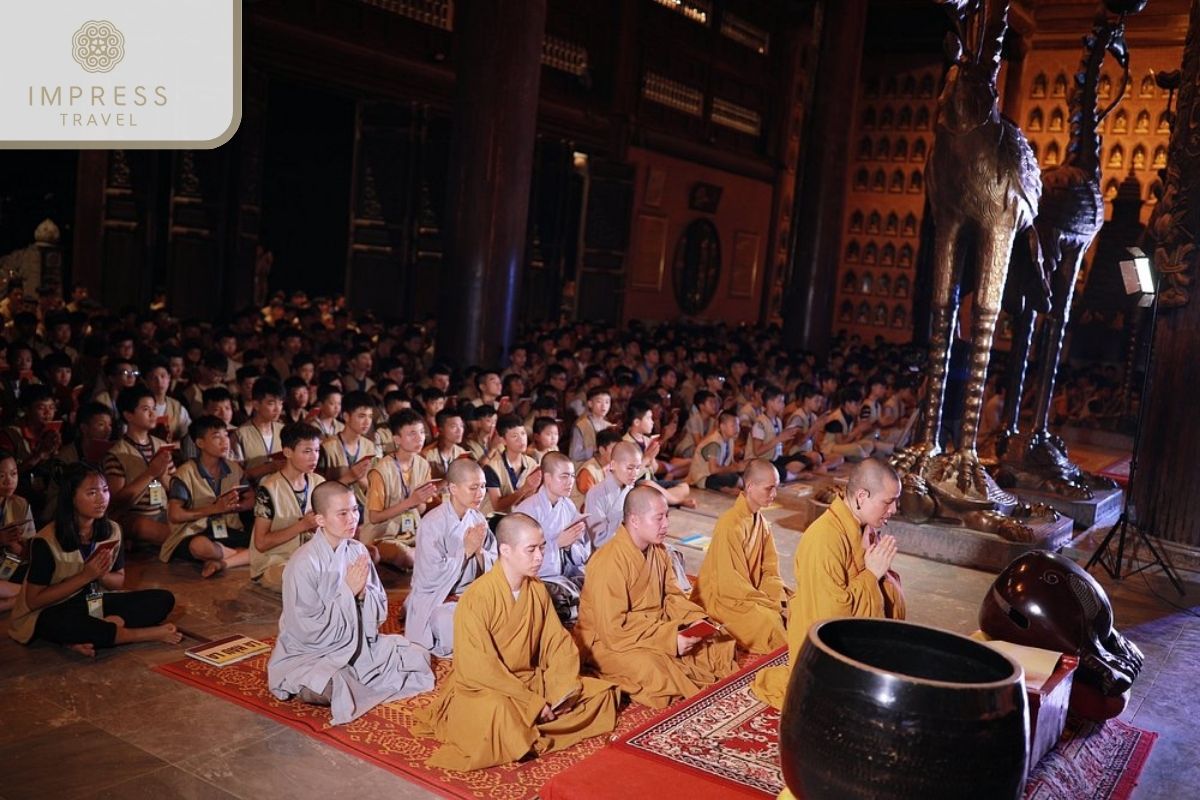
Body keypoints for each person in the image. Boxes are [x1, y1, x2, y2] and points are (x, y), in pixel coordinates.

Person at [414, 513, 618, 770]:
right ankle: (530, 726)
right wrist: (531, 702)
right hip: (488, 689)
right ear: (505, 550)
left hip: (530, 680)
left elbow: (557, 643)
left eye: (542, 547)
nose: (539, 557)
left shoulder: (537, 589)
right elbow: (478, 667)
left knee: (602, 694)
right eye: (531, 549)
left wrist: (560, 689)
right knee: (500, 714)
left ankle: (532, 727)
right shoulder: (477, 598)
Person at [268, 481, 434, 725]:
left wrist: (363, 595)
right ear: (320, 520)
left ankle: (358, 679)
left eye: (355, 510)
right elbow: (305, 629)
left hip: (358, 646)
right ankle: (336, 682)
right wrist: (347, 592)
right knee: (332, 683)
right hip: (312, 654)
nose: (352, 519)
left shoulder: (358, 551)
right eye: (342, 513)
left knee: (418, 655)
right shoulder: (303, 563)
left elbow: (378, 613)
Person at [751, 458, 906, 709]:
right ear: (862, 497)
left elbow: (881, 591)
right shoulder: (824, 539)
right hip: (822, 655)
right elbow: (829, 617)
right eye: (888, 501)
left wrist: (881, 575)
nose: (894, 509)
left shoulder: (863, 528)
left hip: (855, 638)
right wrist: (871, 575)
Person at [575, 486, 736, 708]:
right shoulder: (608, 562)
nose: (666, 525)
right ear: (635, 520)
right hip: (609, 641)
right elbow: (613, 630)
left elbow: (672, 596)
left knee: (716, 643)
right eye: (659, 518)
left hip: (653, 628)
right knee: (657, 669)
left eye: (667, 516)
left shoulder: (658, 551)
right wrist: (669, 639)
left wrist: (692, 621)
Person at [8, 464, 179, 657]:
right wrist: (85, 576)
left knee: (162, 599)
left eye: (105, 490)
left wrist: (101, 574)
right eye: (92, 493)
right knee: (62, 622)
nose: (102, 499)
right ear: (71, 497)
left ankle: (88, 635)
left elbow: (118, 581)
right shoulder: (46, 539)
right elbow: (33, 601)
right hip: (54, 607)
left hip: (93, 601)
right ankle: (140, 634)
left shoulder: (113, 530)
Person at [404, 458, 497, 657]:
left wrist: (479, 552)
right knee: (448, 621)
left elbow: (494, 563)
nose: (480, 494)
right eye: (473, 488)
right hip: (438, 598)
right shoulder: (432, 523)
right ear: (453, 488)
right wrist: (466, 551)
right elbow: (430, 575)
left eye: (482, 487)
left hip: (470, 593)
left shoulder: (478, 519)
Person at [693, 460, 788, 653]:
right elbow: (729, 584)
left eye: (776, 488)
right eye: (769, 489)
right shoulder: (729, 524)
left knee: (795, 606)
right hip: (724, 599)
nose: (774, 495)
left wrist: (774, 595)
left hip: (749, 593)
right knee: (770, 623)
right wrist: (766, 602)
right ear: (750, 486)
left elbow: (769, 568)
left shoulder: (761, 523)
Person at [163, 416, 254, 577]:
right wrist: (214, 509)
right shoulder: (185, 473)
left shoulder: (234, 468)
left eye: (226, 435)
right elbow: (175, 514)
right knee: (200, 546)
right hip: (193, 532)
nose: (224, 441)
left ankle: (220, 559)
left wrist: (234, 507)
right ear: (200, 443)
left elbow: (251, 499)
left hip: (228, 530)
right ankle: (242, 555)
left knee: (259, 539)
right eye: (216, 436)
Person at [514, 452, 590, 622]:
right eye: (564, 476)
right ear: (547, 478)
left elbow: (581, 551)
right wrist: (557, 544)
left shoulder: (568, 505)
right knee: (561, 600)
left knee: (600, 583)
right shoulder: (528, 510)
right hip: (539, 576)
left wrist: (570, 545)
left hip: (565, 571)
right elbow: (521, 556)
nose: (570, 481)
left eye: (572, 475)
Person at [251, 423, 326, 593]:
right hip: (275, 563)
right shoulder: (269, 488)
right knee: (309, 580)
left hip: (310, 558)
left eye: (317, 450)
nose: (314, 457)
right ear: (287, 452)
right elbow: (261, 543)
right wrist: (302, 526)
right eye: (307, 451)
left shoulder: (319, 482)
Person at [365, 409, 439, 570]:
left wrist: (418, 502)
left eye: (421, 432)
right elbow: (374, 517)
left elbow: (421, 508)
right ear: (397, 439)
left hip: (412, 532)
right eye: (412, 433)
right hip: (383, 536)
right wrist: (410, 502)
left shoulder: (422, 464)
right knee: (407, 556)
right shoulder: (381, 470)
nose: (419, 438)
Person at [103, 385, 176, 546]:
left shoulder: (161, 446)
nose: (153, 414)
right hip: (134, 517)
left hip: (163, 512)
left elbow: (175, 489)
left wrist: (163, 476)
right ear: (128, 415)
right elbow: (117, 502)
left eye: (154, 409)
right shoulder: (117, 454)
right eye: (145, 409)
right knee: (155, 530)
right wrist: (150, 473)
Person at [318, 390, 378, 504]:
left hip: (363, 507)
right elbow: (318, 490)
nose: (367, 422)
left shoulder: (369, 446)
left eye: (370, 416)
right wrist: (349, 477)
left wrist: (362, 480)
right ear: (346, 416)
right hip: (333, 507)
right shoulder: (327, 447)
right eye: (361, 416)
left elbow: (372, 485)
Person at [583, 441, 642, 549]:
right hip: (607, 554)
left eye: (638, 468)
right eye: (630, 468)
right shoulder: (596, 494)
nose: (635, 473)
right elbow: (598, 539)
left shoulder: (632, 491)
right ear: (613, 465)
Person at [482, 414, 542, 515]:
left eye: (523, 434)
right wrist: (524, 489)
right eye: (514, 436)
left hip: (525, 518)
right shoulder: (492, 468)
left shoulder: (532, 464)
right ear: (503, 440)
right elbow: (497, 505)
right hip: (499, 522)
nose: (521, 439)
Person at [1, 451, 35, 612]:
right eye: (1, 476)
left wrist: (16, 546)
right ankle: (31, 596)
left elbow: (30, 550)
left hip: (10, 566)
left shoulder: (20, 504)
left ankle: (11, 602)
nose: (9, 481)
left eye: (13, 474)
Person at [236, 377, 287, 479]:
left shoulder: (284, 430)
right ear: (256, 405)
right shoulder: (240, 434)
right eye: (271, 403)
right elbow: (237, 476)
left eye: (280, 403)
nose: (278, 409)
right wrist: (269, 468)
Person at [686, 409, 745, 492]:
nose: (737, 429)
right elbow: (713, 470)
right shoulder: (714, 443)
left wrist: (740, 466)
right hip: (704, 477)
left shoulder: (730, 440)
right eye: (733, 426)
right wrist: (734, 468)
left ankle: (726, 488)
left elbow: (730, 464)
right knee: (735, 479)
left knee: (743, 475)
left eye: (738, 425)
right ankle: (726, 488)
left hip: (716, 474)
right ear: (722, 426)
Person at [568, 386, 612, 464]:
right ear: (590, 404)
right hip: (585, 469)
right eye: (599, 402)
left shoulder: (610, 426)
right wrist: (594, 449)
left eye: (607, 402)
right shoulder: (582, 426)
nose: (604, 406)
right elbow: (574, 455)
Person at [422, 407, 467, 480]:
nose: (459, 430)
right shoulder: (427, 455)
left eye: (461, 426)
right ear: (440, 429)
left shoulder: (461, 452)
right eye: (454, 426)